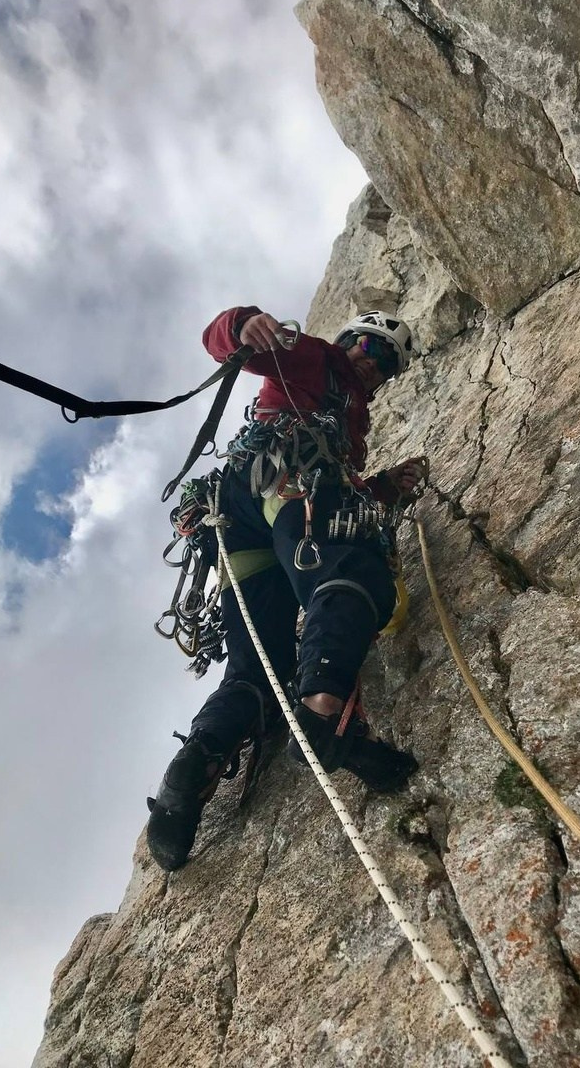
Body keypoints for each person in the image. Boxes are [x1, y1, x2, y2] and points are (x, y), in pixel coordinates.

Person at [147, 307, 425, 871]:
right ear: (349, 340)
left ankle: (194, 768)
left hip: (242, 520)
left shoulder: (348, 419)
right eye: (369, 349)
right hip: (283, 486)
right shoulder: (315, 358)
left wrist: (383, 488)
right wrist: (244, 323)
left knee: (257, 668)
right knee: (353, 572)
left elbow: (337, 494)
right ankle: (325, 718)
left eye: (386, 363)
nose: (372, 365)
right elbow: (229, 343)